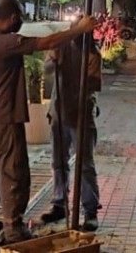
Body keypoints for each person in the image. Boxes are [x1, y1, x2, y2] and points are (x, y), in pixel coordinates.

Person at [0, 0, 97, 242]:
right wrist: (79, 30)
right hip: (4, 122)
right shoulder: (4, 42)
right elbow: (45, 42)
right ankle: (14, 230)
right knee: (14, 175)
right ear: (14, 18)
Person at [40, 27, 102, 231]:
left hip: (81, 116)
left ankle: (90, 210)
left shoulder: (92, 55)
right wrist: (55, 61)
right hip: (58, 113)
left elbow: (93, 83)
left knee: (84, 165)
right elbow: (47, 69)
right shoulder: (60, 47)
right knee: (58, 161)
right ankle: (59, 203)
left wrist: (76, 75)